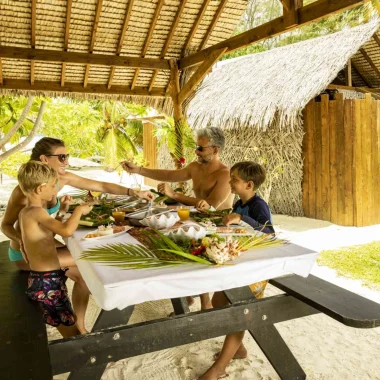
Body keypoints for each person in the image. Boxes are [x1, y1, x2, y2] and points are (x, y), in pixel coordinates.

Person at [1, 137, 154, 333]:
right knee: (89, 257)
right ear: (44, 159)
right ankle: (80, 329)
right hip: (26, 255)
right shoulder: (24, 193)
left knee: (83, 274)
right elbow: (5, 225)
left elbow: (102, 186)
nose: (67, 161)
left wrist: (134, 192)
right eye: (62, 157)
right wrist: (20, 240)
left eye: (68, 156)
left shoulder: (57, 181)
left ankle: (80, 330)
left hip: (43, 248)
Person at [121, 127, 233, 310]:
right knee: (167, 240)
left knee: (193, 248)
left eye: (201, 148)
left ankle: (205, 304)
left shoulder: (225, 174)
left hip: (220, 224)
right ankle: (189, 297)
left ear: (215, 150)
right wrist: (139, 170)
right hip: (198, 220)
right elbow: (169, 175)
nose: (196, 152)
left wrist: (177, 196)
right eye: (196, 147)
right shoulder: (195, 167)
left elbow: (212, 205)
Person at [199, 161, 275, 380]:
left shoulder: (257, 205)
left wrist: (241, 218)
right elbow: (234, 225)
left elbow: (268, 231)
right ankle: (239, 350)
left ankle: (220, 368)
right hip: (241, 263)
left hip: (257, 267)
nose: (230, 182)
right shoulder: (239, 203)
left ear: (249, 184)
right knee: (219, 302)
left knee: (239, 309)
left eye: (234, 179)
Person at [17, 161, 93, 338]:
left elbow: (47, 233)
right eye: (53, 186)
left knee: (68, 324)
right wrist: (79, 211)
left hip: (46, 279)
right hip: (47, 283)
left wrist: (63, 211)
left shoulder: (27, 212)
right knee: (70, 332)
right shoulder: (37, 213)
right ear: (39, 189)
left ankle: (81, 343)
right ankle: (82, 361)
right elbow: (66, 231)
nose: (55, 189)